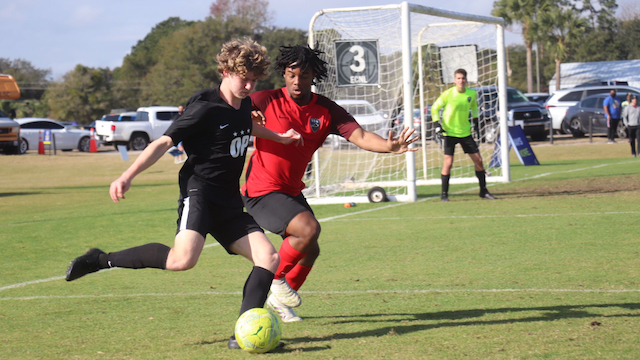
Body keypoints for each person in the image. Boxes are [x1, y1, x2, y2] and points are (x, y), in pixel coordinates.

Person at [65, 38, 302, 351]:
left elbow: (244, 127)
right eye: (243, 77)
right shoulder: (204, 107)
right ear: (224, 71)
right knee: (182, 260)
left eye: (254, 80)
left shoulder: (244, 103)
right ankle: (100, 259)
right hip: (200, 192)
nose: (248, 85)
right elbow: (163, 143)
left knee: (269, 258)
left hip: (229, 200)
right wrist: (127, 175)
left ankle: (243, 334)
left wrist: (279, 138)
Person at [240, 44, 417, 323]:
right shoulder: (265, 99)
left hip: (291, 190)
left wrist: (388, 146)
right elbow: (232, 109)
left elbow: (359, 135)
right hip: (261, 190)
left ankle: (280, 301)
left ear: (314, 76)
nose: (297, 81)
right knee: (308, 229)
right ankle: (274, 277)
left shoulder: (326, 110)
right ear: (283, 74)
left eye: (304, 74)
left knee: (311, 247)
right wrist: (246, 114)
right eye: (291, 74)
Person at [431, 68, 497, 202]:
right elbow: (434, 108)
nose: (461, 81)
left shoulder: (471, 94)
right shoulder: (448, 94)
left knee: (478, 160)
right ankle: (444, 195)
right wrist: (437, 124)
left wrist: (476, 121)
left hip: (465, 132)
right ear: (455, 80)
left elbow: (474, 107)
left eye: (463, 78)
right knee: (448, 163)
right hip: (449, 132)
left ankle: (483, 191)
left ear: (466, 80)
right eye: (458, 78)